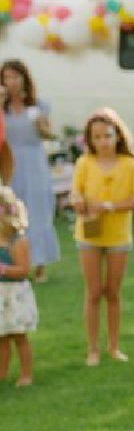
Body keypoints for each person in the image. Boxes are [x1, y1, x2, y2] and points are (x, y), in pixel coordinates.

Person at [70, 109, 134, 366]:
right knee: (93, 292)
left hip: (118, 237)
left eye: (107, 135)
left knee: (112, 292)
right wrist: (79, 202)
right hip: (89, 234)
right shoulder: (84, 163)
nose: (103, 141)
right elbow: (74, 195)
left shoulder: (130, 165)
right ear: (89, 140)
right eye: (97, 137)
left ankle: (113, 347)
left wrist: (111, 207)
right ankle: (93, 349)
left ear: (117, 136)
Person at [1, 59, 60, 281]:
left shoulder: (38, 106)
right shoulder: (1, 107)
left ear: (24, 79)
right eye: (6, 77)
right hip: (8, 161)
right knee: (10, 210)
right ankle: (12, 262)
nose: (11, 82)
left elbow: (48, 135)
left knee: (37, 210)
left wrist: (41, 127)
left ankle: (40, 264)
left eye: (15, 77)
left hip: (33, 161)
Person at [0, 186, 37, 386]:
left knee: (18, 335)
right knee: (2, 337)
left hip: (14, 295)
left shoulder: (18, 241)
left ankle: (26, 374)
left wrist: (4, 270)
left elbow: (24, 270)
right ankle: (2, 372)